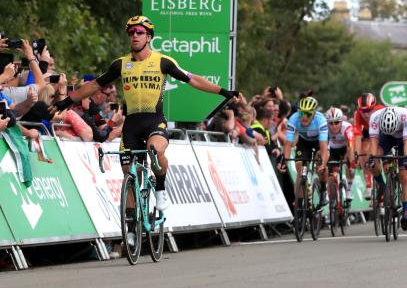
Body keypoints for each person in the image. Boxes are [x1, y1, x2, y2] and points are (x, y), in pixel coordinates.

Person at [51, 15, 238, 214]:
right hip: (131, 125)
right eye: (131, 32)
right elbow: (94, 85)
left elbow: (192, 80)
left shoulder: (162, 62)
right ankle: (131, 227)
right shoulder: (121, 65)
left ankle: (160, 188)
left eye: (139, 32)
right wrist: (67, 101)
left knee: (155, 151)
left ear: (148, 37)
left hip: (154, 121)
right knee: (129, 175)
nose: (134, 36)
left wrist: (222, 91)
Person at [367, 106, 407, 231]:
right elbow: (373, 143)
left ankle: (406, 211)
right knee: (377, 161)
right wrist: (372, 159)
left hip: (403, 139)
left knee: (405, 174)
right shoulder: (375, 117)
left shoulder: (406, 116)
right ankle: (385, 186)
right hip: (385, 138)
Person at [278, 96, 329, 207]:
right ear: (298, 112)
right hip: (304, 142)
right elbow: (288, 143)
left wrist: (323, 163)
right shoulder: (293, 119)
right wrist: (285, 162)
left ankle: (324, 190)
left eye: (308, 114)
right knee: (300, 172)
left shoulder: (321, 120)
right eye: (302, 114)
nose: (304, 117)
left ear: (314, 114)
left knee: (322, 163)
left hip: (319, 142)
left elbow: (323, 145)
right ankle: (300, 206)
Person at [352, 93, 385, 199]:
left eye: (369, 110)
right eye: (363, 111)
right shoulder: (357, 114)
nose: (365, 114)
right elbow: (357, 136)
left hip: (383, 130)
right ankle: (369, 185)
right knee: (364, 151)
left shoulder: (382, 111)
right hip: (369, 131)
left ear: (374, 107)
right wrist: (356, 155)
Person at [324, 107, 355, 202]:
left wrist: (350, 162)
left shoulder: (347, 127)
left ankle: (349, 188)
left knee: (351, 165)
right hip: (332, 151)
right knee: (329, 175)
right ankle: (331, 200)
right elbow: (325, 147)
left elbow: (350, 147)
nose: (334, 126)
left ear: (341, 122)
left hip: (345, 150)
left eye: (337, 122)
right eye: (331, 123)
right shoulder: (324, 128)